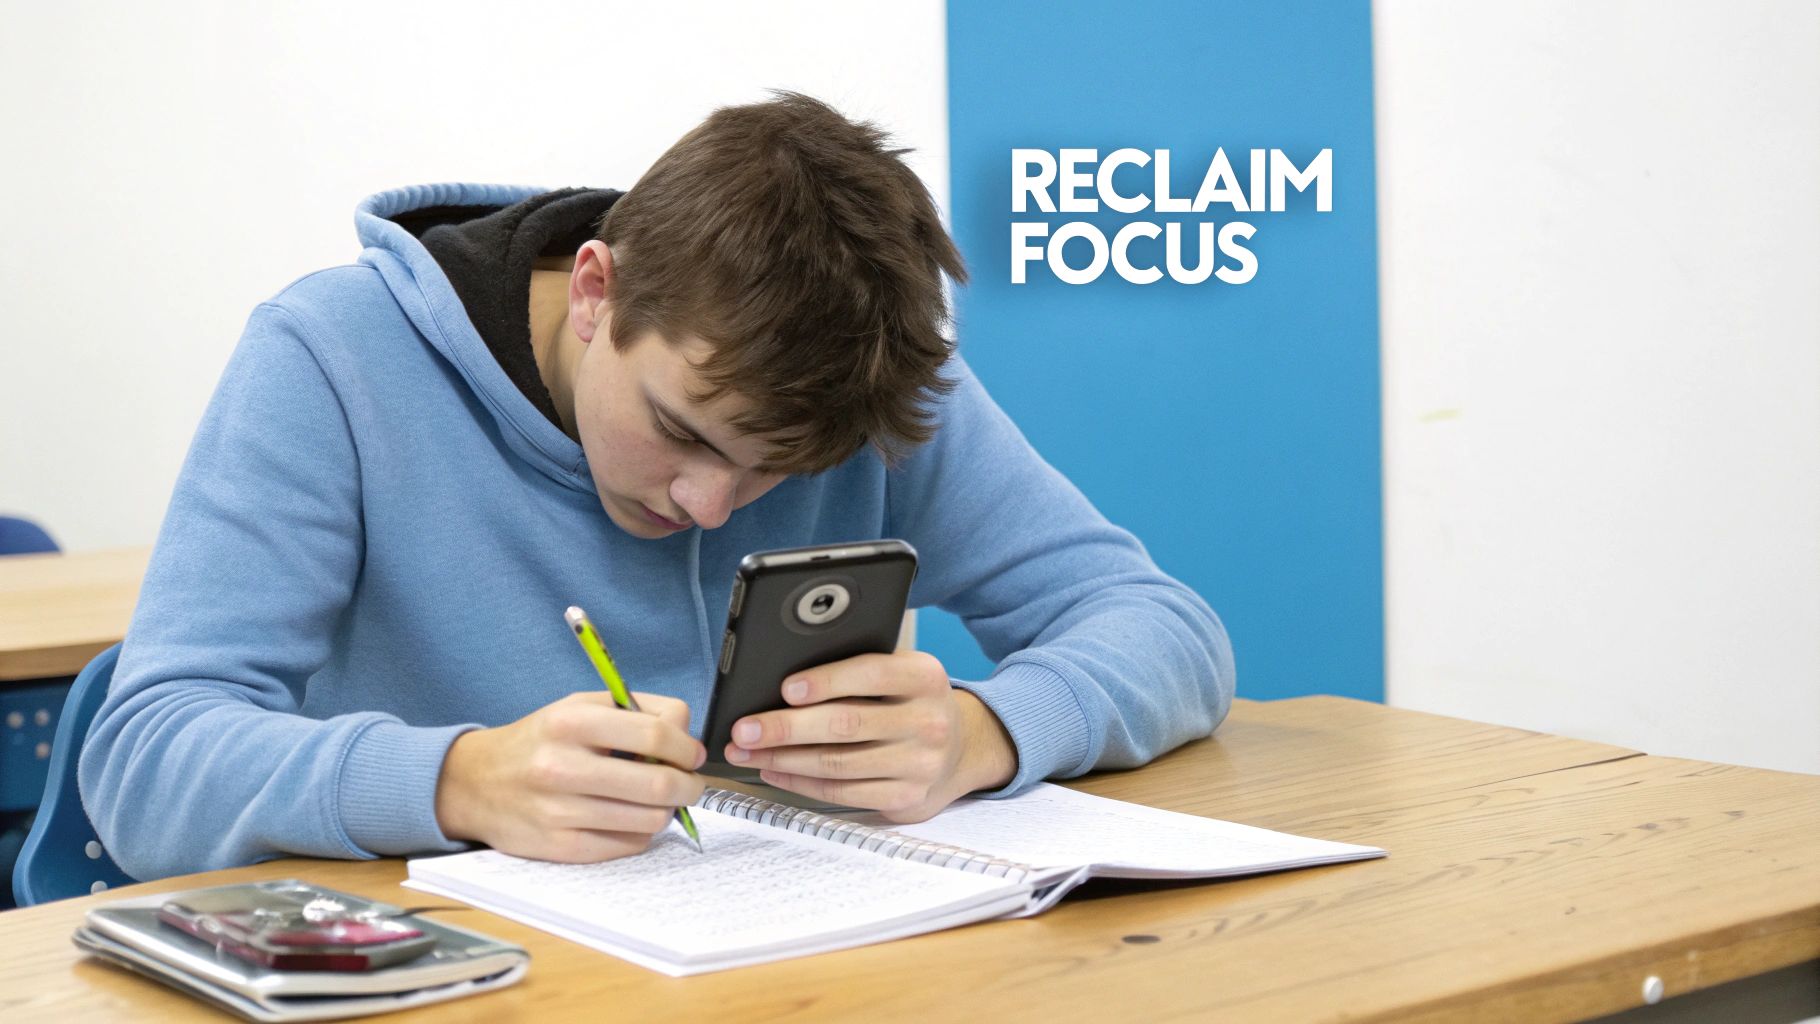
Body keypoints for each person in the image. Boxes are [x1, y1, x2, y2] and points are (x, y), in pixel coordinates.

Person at [79, 92, 1234, 880]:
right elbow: (145, 761)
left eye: (777, 467)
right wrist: (456, 781)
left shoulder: (856, 380)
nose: (710, 505)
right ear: (596, 290)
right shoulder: (330, 359)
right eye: (681, 430)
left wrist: (986, 730)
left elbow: (1166, 629)